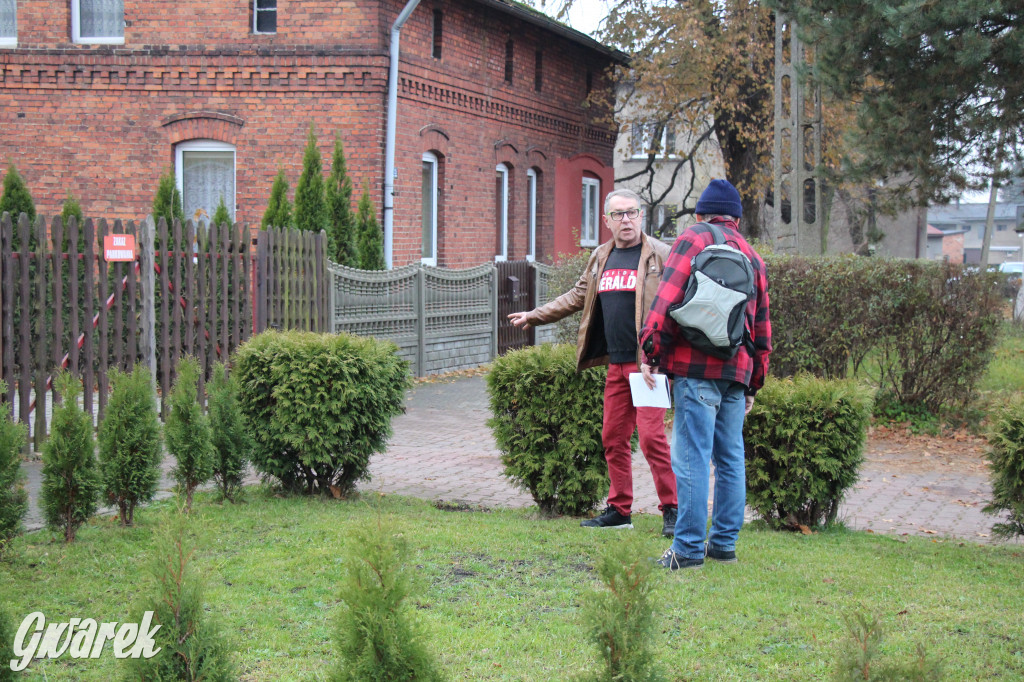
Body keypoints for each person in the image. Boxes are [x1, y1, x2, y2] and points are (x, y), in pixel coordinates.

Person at [508, 188, 678, 536]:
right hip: (616, 365)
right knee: (612, 438)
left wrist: (660, 356)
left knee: (651, 439)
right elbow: (577, 295)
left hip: (647, 366)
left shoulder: (661, 255)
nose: (625, 220)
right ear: (606, 221)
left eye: (631, 212)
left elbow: (676, 306)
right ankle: (619, 511)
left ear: (641, 216)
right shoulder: (601, 256)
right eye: (618, 214)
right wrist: (535, 315)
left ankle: (672, 510)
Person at [638, 178, 772, 569]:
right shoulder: (753, 255)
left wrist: (650, 350)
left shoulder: (694, 239)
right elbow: (762, 327)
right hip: (737, 369)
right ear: (737, 218)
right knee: (730, 456)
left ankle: (688, 549)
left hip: (695, 367)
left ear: (701, 213)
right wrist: (754, 383)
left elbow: (666, 297)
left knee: (691, 455)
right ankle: (723, 545)